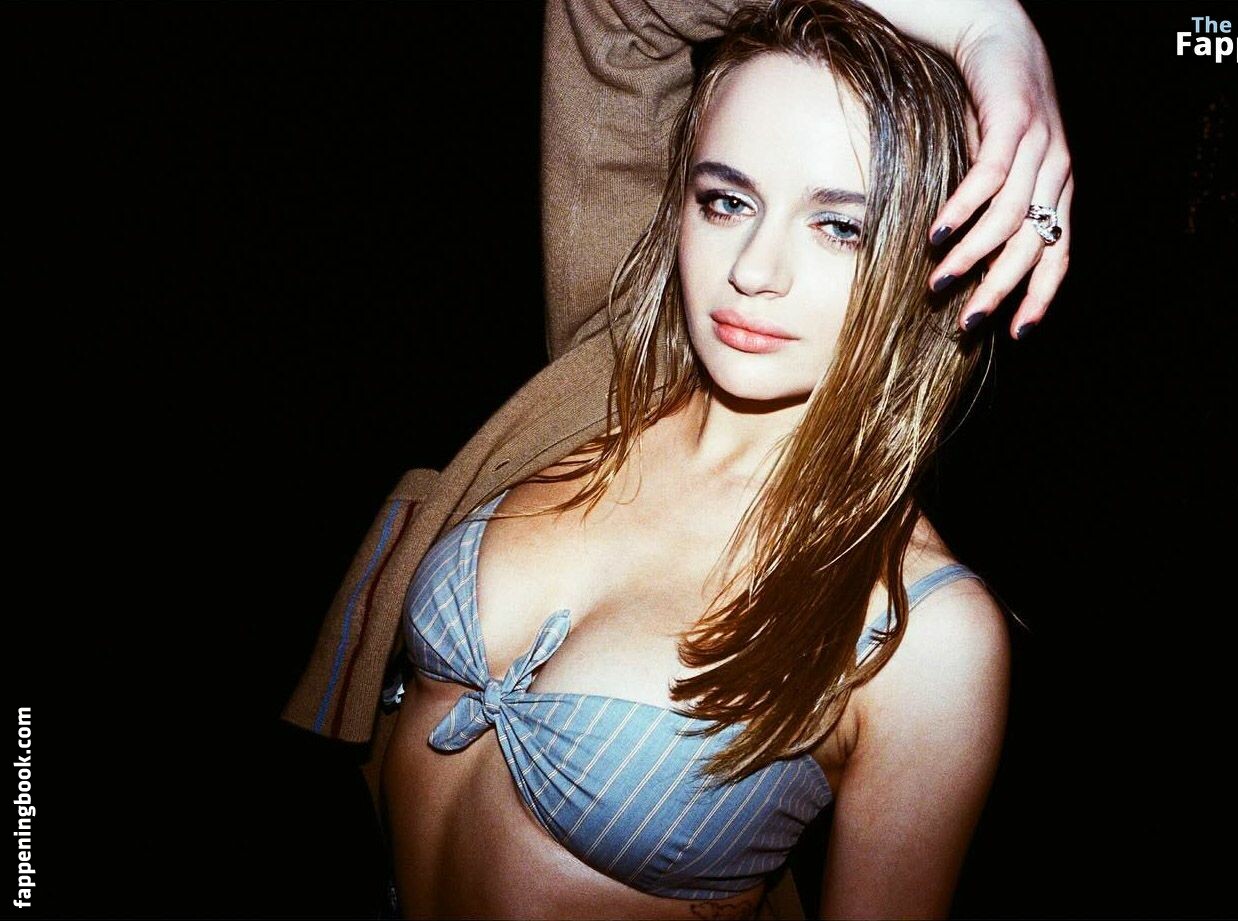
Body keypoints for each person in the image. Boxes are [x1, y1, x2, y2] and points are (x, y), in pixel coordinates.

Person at [282, 0, 1072, 917]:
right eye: (726, 201)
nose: (753, 270)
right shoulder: (607, 379)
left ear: (950, 249)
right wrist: (985, 25)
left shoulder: (922, 629)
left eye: (840, 227)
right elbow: (612, 15)